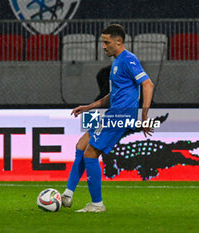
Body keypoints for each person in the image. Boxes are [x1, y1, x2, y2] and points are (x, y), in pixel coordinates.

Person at [61, 24, 154, 212]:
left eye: (106, 42)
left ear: (118, 41)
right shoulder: (117, 63)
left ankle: (97, 204)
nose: (103, 46)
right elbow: (112, 96)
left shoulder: (129, 59)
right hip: (113, 112)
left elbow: (148, 84)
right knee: (81, 144)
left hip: (121, 114)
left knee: (91, 153)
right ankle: (68, 194)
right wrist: (88, 107)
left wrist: (144, 115)